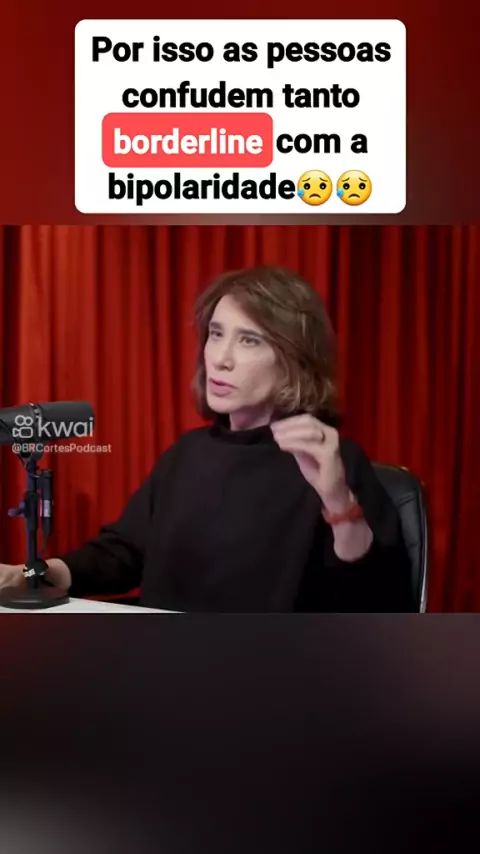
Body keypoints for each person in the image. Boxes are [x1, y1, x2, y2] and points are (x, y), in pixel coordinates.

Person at [0, 266, 414, 612]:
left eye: (249, 340)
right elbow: (124, 553)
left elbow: (381, 606)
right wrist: (35, 573)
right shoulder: (187, 454)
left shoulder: (335, 463)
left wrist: (339, 503)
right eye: (216, 334)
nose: (220, 358)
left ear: (294, 361)